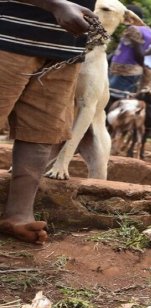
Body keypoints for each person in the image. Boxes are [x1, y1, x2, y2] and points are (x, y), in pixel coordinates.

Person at [0, 0, 97, 244]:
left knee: (42, 132)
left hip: (64, 50)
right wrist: (54, 5)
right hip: (8, 36)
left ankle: (18, 214)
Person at [107, 4, 151, 104]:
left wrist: (142, 60)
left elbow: (138, 52)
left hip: (124, 70)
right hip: (133, 70)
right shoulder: (147, 29)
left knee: (114, 98)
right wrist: (143, 55)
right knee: (126, 97)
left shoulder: (133, 29)